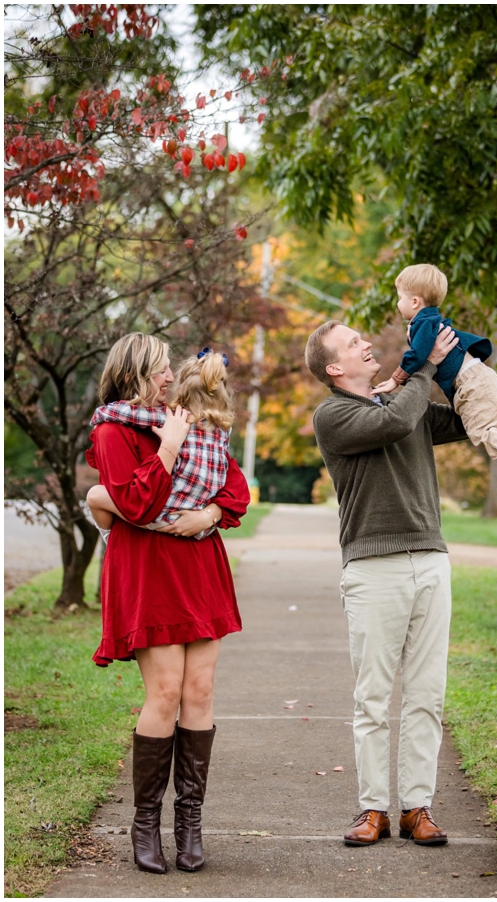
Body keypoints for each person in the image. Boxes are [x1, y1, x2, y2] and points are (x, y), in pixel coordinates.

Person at [86, 333, 249, 875]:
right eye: (158, 369)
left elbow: (232, 483)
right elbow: (136, 501)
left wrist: (209, 516)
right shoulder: (114, 431)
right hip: (148, 570)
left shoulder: (185, 414)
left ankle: (191, 825)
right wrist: (168, 446)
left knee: (199, 689)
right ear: (135, 373)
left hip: (199, 565)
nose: (168, 378)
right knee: (165, 691)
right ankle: (146, 826)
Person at [306, 318, 467, 848]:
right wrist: (418, 369)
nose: (365, 343)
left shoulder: (401, 399)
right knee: (373, 698)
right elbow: (397, 422)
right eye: (353, 342)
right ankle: (372, 808)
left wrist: (453, 368)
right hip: (374, 567)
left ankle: (416, 807)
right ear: (334, 367)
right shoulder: (333, 414)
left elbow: (466, 420)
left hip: (430, 559)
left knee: (427, 695)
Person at [370, 263, 497, 494]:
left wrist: (396, 380)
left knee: (483, 433)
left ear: (415, 302)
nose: (398, 303)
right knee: (488, 430)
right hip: (478, 379)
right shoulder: (428, 321)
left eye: (399, 297)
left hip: (472, 383)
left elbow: (418, 355)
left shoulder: (423, 323)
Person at [87, 348, 234, 543]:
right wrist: (207, 516)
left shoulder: (172, 418)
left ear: (183, 391)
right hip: (199, 522)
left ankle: (110, 537)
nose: (171, 378)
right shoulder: (223, 431)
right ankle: (114, 540)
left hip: (165, 518)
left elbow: (130, 414)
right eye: (162, 370)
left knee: (95, 495)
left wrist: (101, 414)